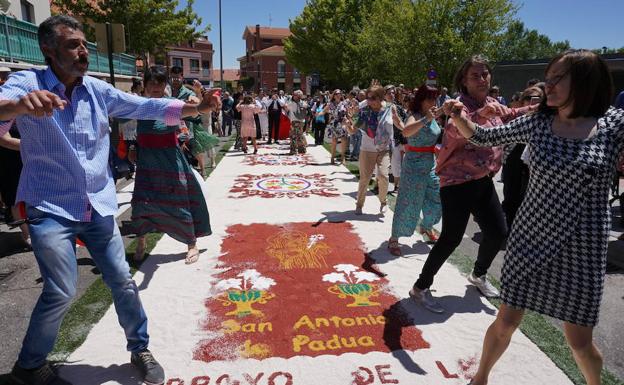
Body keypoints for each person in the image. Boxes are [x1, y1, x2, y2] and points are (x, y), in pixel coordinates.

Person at [0, 15, 220, 385]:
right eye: (73, 44)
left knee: (122, 280)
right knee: (62, 288)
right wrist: (20, 105)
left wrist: (196, 109)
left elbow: (145, 106)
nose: (83, 50)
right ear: (48, 50)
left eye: (85, 44)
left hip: (98, 205)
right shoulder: (28, 82)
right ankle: (29, 366)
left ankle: (140, 349)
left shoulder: (98, 90)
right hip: (50, 207)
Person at [446, 49, 621, 385]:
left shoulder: (612, 125)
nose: (548, 85)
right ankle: (479, 379)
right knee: (506, 321)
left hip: (582, 250)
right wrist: (457, 114)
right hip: (530, 240)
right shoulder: (540, 123)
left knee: (579, 342)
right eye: (547, 77)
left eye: (557, 78)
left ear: (584, 82)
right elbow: (483, 136)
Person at [409, 55, 530, 314]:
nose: (482, 78)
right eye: (475, 75)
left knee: (498, 232)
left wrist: (540, 107)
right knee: (451, 238)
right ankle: (420, 287)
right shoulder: (457, 105)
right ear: (463, 80)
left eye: (485, 73)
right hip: (456, 183)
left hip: (483, 181)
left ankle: (478, 275)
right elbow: (455, 128)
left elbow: (511, 114)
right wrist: (478, 116)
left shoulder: (493, 103)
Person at [132, 66, 214, 264]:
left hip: (170, 162)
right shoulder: (139, 105)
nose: (155, 86)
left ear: (165, 85)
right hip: (147, 163)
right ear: (145, 85)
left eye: (160, 82)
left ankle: (191, 243)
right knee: (141, 203)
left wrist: (200, 103)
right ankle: (141, 242)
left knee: (179, 202)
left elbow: (191, 111)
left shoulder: (169, 105)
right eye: (151, 82)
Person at [388, 85, 443, 256]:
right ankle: (395, 237)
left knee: (436, 197)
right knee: (408, 201)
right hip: (413, 165)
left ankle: (425, 227)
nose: (433, 102)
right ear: (421, 100)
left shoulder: (433, 115)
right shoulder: (416, 116)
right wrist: (427, 119)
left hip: (430, 163)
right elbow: (407, 131)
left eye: (435, 98)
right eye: (430, 98)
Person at [344, 83, 397, 215]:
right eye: (368, 98)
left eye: (372, 98)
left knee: (384, 176)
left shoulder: (390, 108)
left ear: (380, 98)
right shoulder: (364, 111)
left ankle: (383, 201)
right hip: (367, 149)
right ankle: (359, 204)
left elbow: (400, 124)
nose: (369, 101)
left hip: (383, 149)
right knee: (365, 178)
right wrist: (347, 124)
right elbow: (352, 130)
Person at [501, 86, 544, 229]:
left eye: (537, 98)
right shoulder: (516, 118)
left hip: (532, 163)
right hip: (513, 159)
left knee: (527, 195)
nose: (532, 102)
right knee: (511, 192)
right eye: (528, 98)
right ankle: (510, 223)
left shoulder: (547, 121)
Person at [327, 89, 349, 164]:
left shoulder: (344, 103)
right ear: (334, 95)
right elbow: (327, 112)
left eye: (339, 93)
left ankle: (343, 157)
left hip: (342, 123)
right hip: (334, 123)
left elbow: (348, 112)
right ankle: (332, 157)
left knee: (344, 140)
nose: (338, 95)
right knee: (334, 141)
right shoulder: (330, 104)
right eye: (336, 94)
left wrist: (349, 121)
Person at [285, 90, 308, 154]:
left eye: (294, 95)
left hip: (299, 121)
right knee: (297, 135)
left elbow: (306, 112)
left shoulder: (302, 103)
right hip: (295, 121)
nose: (293, 96)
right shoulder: (294, 103)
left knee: (295, 136)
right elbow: (286, 107)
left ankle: (294, 150)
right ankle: (301, 149)